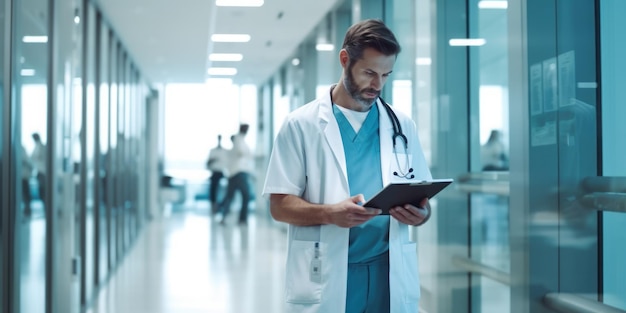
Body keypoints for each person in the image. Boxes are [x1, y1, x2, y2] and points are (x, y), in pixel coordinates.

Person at [262, 19, 432, 313]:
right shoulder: (301, 124)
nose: (377, 85)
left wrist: (421, 214)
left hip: (388, 273)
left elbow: (422, 197)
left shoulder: (401, 125)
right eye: (369, 73)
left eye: (385, 75)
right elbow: (279, 206)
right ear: (345, 60)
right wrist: (330, 214)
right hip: (328, 271)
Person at [218, 124, 254, 225]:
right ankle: (242, 219)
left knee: (229, 196)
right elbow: (242, 152)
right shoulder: (239, 139)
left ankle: (224, 217)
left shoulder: (239, 142)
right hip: (239, 173)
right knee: (245, 196)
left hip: (234, 173)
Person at [206, 134, 229, 214]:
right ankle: (214, 206)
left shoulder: (225, 151)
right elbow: (207, 163)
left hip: (222, 172)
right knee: (213, 188)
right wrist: (213, 160)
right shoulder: (212, 151)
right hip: (214, 172)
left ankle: (221, 206)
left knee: (228, 189)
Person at [31, 133, 47, 214]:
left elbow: (34, 158)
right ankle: (46, 209)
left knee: (43, 192)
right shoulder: (38, 146)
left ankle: (47, 209)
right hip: (40, 172)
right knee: (42, 192)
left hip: (43, 172)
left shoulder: (41, 147)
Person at [21, 145, 33, 218]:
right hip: (23, 176)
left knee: (25, 194)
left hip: (24, 177)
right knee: (25, 195)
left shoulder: (22, 150)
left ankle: (27, 210)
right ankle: (27, 210)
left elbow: (28, 162)